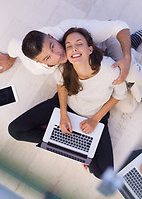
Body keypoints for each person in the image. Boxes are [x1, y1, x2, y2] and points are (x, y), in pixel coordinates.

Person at [8, 27, 127, 179]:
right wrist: (63, 115)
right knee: (15, 130)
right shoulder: (63, 62)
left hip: (94, 114)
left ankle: (72, 145)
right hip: (64, 105)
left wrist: (95, 119)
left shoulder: (109, 70)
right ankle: (66, 142)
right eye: (69, 46)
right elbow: (61, 84)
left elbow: (119, 95)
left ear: (90, 49)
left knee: (104, 173)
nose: (70, 50)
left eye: (78, 44)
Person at [0, 19, 132, 85]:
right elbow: (14, 45)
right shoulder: (35, 67)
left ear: (51, 37)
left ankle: (133, 41)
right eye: (48, 57)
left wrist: (127, 57)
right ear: (40, 62)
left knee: (128, 71)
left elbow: (119, 26)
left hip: (101, 44)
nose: (58, 55)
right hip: (90, 61)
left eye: (52, 46)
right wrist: (10, 59)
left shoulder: (72, 28)